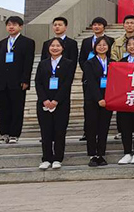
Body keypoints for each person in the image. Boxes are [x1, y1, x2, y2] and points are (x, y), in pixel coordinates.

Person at [0, 16, 35, 145]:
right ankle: (4, 134)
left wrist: (25, 80)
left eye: (14, 24)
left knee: (17, 108)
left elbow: (28, 62)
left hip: (17, 82)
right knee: (2, 109)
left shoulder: (27, 42)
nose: (11, 27)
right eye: (9, 24)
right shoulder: (1, 44)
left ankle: (14, 134)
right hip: (1, 82)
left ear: (20, 27)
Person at [34, 37, 75, 169]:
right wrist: (45, 100)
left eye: (58, 46)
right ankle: (46, 158)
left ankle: (58, 158)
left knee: (59, 131)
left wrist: (56, 100)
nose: (55, 48)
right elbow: (38, 83)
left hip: (61, 103)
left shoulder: (68, 63)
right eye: (52, 46)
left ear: (63, 48)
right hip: (44, 103)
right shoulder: (43, 63)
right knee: (45, 132)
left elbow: (67, 83)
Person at [78, 17, 113, 141]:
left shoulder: (111, 40)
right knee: (89, 107)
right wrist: (89, 71)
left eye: (99, 24)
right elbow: (81, 59)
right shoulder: (86, 41)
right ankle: (87, 132)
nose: (96, 27)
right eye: (94, 24)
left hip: (106, 80)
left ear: (104, 26)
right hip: (89, 79)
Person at [84, 37, 113, 166]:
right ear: (95, 47)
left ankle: (101, 154)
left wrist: (108, 98)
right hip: (92, 99)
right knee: (91, 127)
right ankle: (92, 155)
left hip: (108, 100)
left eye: (104, 45)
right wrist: (99, 98)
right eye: (99, 45)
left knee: (103, 127)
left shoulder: (112, 63)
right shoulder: (89, 63)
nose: (102, 47)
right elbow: (90, 82)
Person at [116, 36, 134, 164]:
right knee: (125, 127)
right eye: (129, 45)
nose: (132, 47)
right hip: (125, 99)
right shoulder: (122, 62)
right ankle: (127, 152)